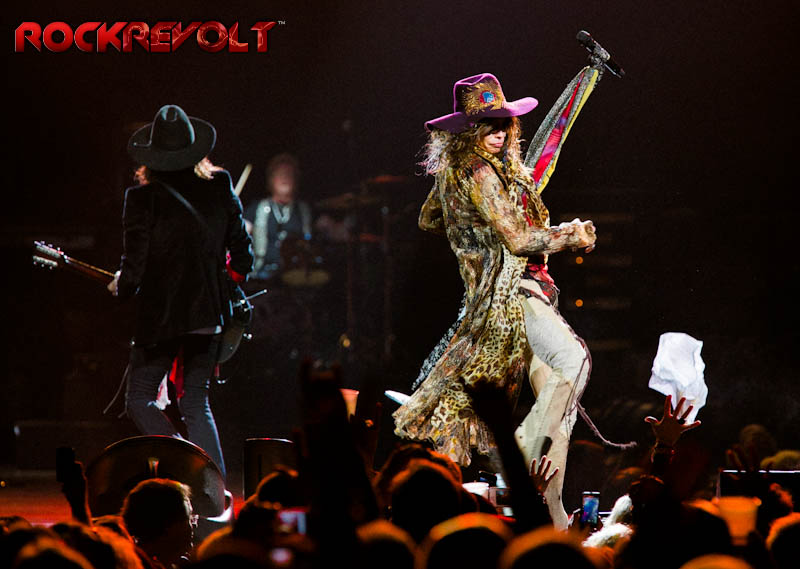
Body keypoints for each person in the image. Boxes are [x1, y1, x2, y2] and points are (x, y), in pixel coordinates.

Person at [393, 60, 611, 527]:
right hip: (510, 296)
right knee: (573, 362)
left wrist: (470, 231)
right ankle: (520, 461)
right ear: (466, 131)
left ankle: (552, 519)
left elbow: (429, 218)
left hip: (512, 292)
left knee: (559, 410)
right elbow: (518, 239)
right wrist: (571, 234)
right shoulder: (479, 173)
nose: (498, 132)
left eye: (503, 123)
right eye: (486, 125)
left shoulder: (468, 171)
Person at [107, 104, 254, 480]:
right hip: (210, 315)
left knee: (140, 398)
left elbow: (134, 270)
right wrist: (221, 285)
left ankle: (188, 464)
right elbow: (243, 256)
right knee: (196, 403)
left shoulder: (141, 199)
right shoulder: (219, 185)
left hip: (162, 318)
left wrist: (122, 285)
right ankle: (215, 492)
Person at [243, 153, 314, 282]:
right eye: (280, 174)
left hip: (296, 276)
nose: (284, 178)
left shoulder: (304, 210)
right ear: (271, 179)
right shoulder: (257, 208)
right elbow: (240, 231)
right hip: (262, 276)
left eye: (289, 174)